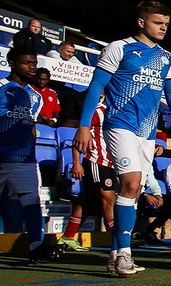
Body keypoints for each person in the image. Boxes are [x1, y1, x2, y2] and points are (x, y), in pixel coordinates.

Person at [73, 0, 171, 276]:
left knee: (134, 190)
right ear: (141, 22)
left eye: (166, 24)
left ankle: (116, 251)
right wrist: (82, 126)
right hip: (119, 125)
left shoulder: (166, 57)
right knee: (131, 182)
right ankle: (125, 255)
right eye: (157, 23)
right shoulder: (120, 47)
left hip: (147, 131)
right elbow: (96, 87)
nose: (163, 28)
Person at [0, 46, 63, 264]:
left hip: (24, 159)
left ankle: (36, 246)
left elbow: (30, 127)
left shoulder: (36, 96)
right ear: (13, 63)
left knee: (32, 201)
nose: (32, 67)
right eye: (27, 63)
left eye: (34, 63)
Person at [57, 98, 117, 254]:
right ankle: (120, 238)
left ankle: (68, 236)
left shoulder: (117, 113)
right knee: (108, 197)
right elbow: (79, 136)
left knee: (87, 202)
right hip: (96, 161)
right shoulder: (97, 112)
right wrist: (77, 163)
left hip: (110, 164)